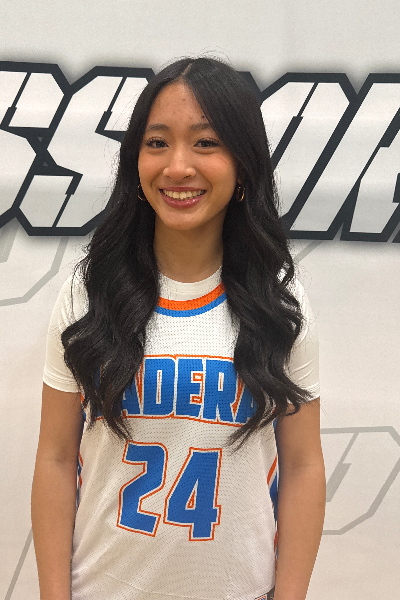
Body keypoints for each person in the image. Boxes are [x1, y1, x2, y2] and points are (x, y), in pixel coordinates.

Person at [31, 57, 325, 600]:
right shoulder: (88, 293)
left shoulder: (279, 301)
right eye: (158, 142)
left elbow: (304, 465)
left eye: (206, 143)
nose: (178, 166)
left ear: (244, 165)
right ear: (135, 160)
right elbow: (54, 457)